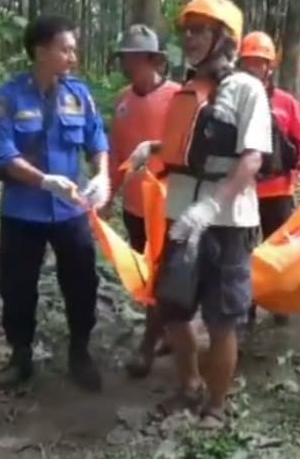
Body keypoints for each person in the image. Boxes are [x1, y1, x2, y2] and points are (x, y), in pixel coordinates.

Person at [126, 0, 273, 427]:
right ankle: (187, 382)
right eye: (187, 30)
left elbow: (252, 158)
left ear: (223, 39)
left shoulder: (246, 89)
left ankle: (216, 403)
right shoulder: (186, 91)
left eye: (200, 31)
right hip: (180, 217)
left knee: (222, 317)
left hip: (226, 223)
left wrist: (213, 204)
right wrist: (150, 149)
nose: (190, 39)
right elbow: (181, 149)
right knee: (172, 307)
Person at [0, 14, 111, 393]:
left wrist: (102, 175)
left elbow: (97, 140)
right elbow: (4, 156)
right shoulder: (7, 99)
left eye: (73, 49)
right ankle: (20, 356)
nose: (73, 56)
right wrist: (43, 180)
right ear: (41, 51)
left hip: (71, 210)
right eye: (66, 49)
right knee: (17, 286)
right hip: (23, 212)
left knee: (81, 282)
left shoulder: (79, 95)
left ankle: (79, 352)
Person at [108, 24, 181, 379]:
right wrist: (108, 194)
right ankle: (164, 331)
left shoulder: (179, 98)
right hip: (135, 208)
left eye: (133, 59)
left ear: (153, 60)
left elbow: (188, 149)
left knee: (159, 277)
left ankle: (148, 345)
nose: (126, 64)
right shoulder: (122, 101)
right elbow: (116, 153)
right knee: (146, 275)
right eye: (124, 58)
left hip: (169, 207)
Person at [236, 31, 300, 327]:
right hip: (241, 192)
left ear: (270, 67)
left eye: (259, 63)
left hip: (277, 189)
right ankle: (244, 307)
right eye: (247, 62)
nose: (253, 68)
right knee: (242, 253)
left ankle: (279, 301)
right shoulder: (229, 100)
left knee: (281, 253)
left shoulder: (286, 103)